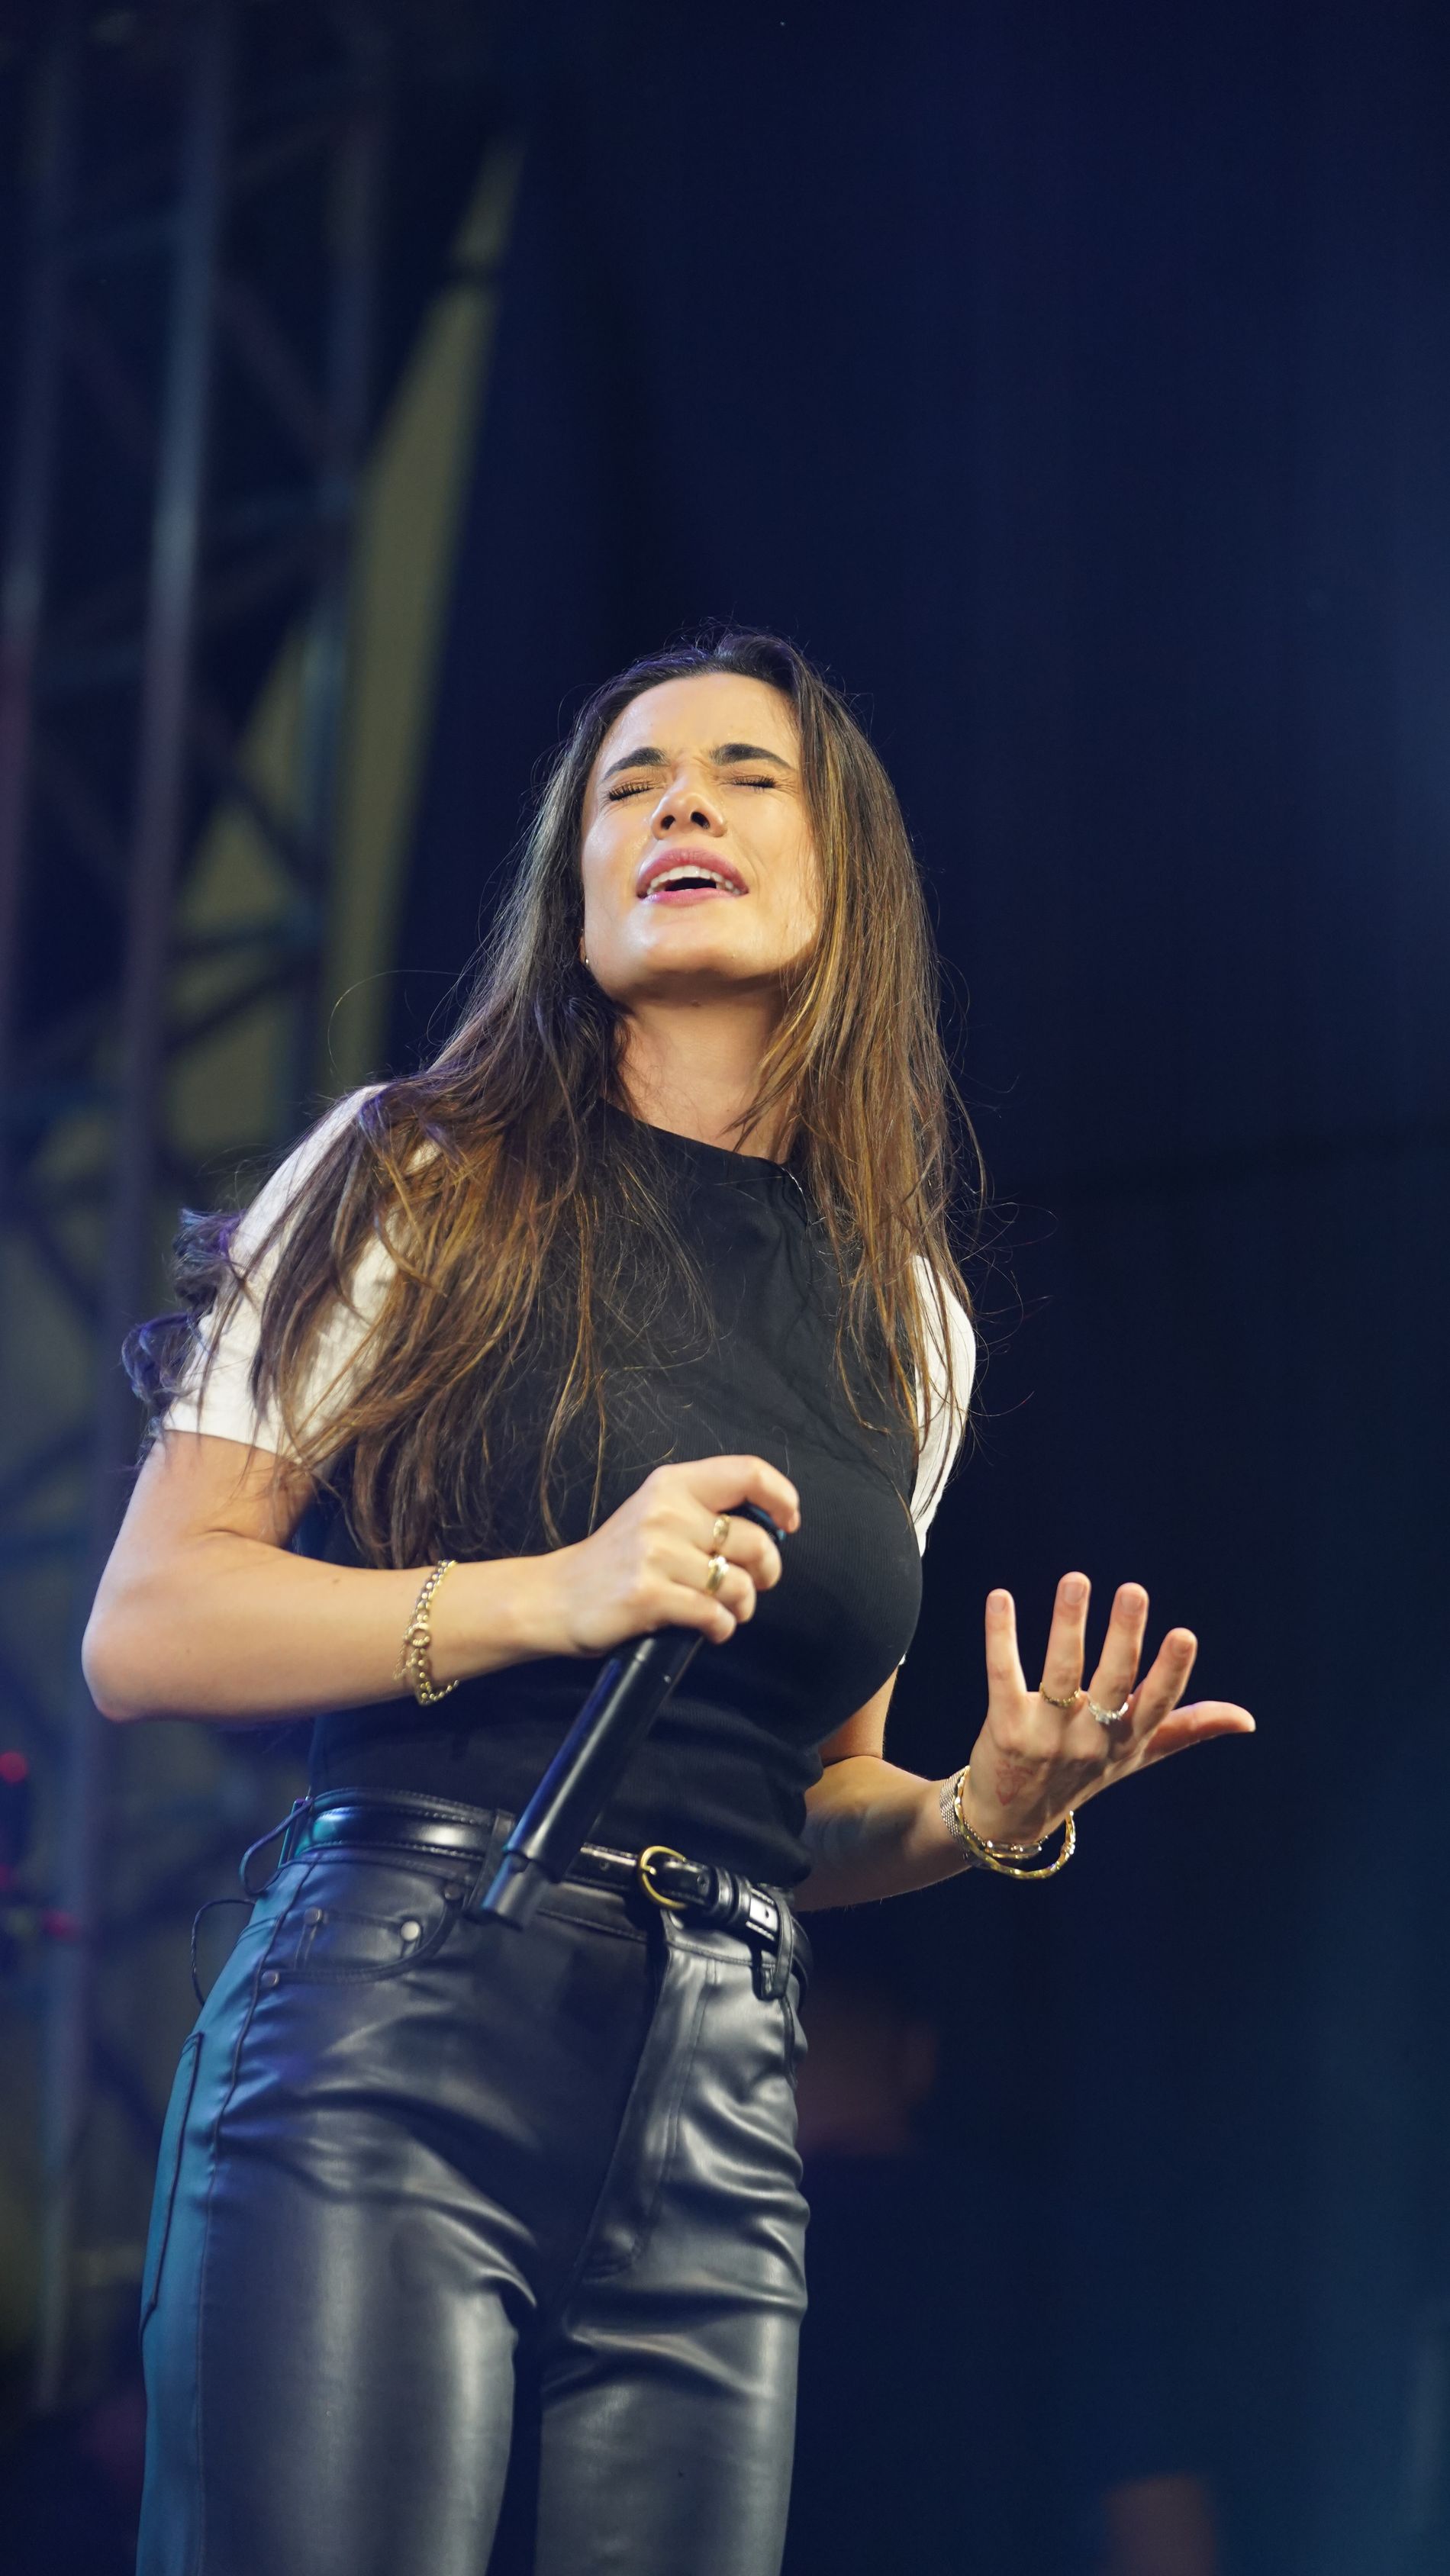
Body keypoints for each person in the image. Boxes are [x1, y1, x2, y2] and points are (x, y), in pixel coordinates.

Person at [84, 630, 1254, 2576]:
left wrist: (977, 1811)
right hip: (393, 2022)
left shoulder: (906, 1315)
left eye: (739, 773)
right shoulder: (414, 1173)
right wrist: (552, 1590)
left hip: (724, 2093)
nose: (676, 802)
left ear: (839, 873)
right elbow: (147, 1626)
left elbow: (803, 1801)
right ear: (576, 878)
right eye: (627, 784)